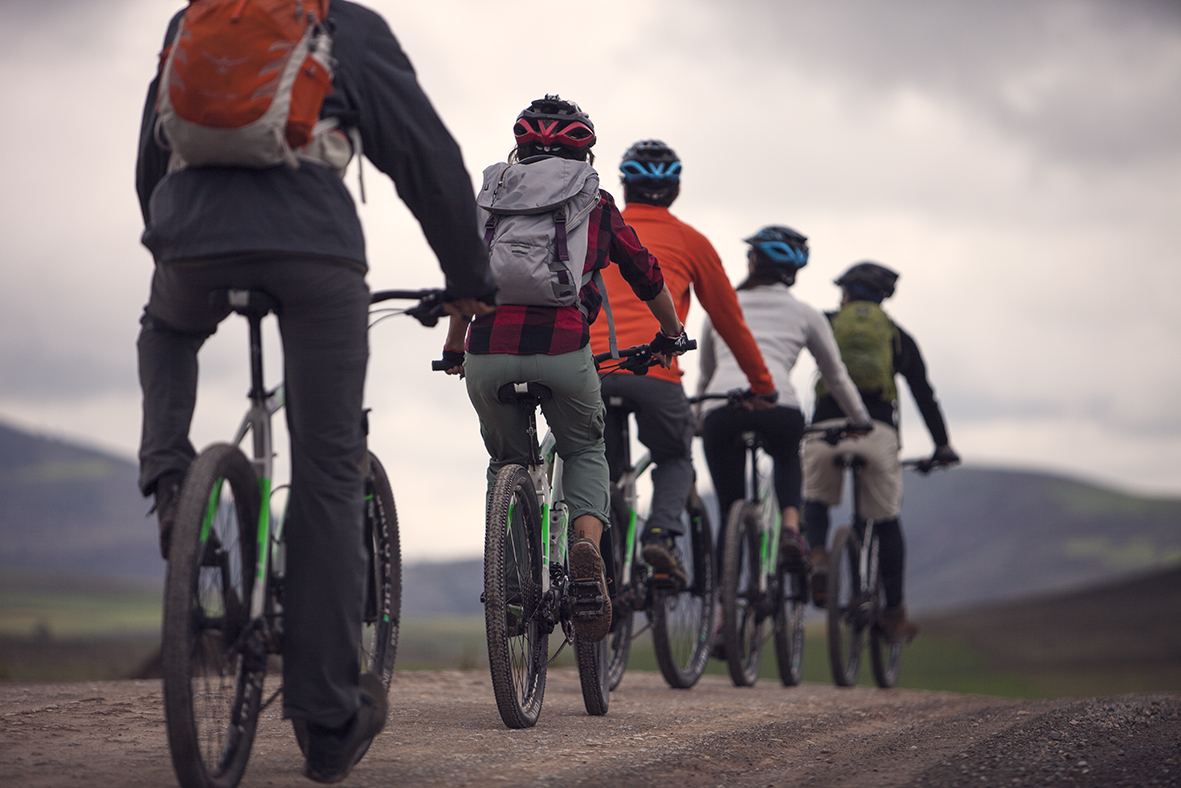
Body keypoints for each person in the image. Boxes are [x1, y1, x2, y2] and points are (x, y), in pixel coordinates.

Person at [135, 3, 496, 781]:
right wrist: (469, 279)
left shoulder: (193, 18)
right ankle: (328, 722)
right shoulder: (346, 25)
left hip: (188, 241)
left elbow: (150, 149)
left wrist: (168, 238)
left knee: (165, 329)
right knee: (330, 465)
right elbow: (427, 158)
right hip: (313, 249)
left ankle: (169, 477)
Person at [441, 98, 687, 644]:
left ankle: (506, 591)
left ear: (521, 147)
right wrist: (671, 335)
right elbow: (645, 272)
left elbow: (465, 281)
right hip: (563, 348)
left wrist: (456, 348)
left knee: (507, 460)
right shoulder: (593, 200)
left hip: (488, 349)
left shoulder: (491, 197)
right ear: (585, 149)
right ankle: (584, 545)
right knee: (584, 450)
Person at [588, 140, 776, 584]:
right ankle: (659, 534)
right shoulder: (692, 242)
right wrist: (762, 384)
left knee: (599, 470)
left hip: (590, 368)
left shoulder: (594, 227)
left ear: (624, 185)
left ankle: (600, 570)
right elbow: (731, 323)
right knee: (674, 456)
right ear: (674, 190)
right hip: (655, 373)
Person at [802, 262, 960, 644]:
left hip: (825, 431)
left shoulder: (825, 323)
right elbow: (924, 394)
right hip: (877, 432)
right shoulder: (897, 336)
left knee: (815, 497)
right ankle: (894, 614)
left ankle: (820, 556)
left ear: (846, 293)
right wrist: (942, 445)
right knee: (886, 521)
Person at [698, 226, 871, 567]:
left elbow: (705, 375)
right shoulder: (807, 314)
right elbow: (835, 375)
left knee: (728, 508)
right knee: (787, 454)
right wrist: (860, 419)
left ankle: (721, 612)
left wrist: (696, 420)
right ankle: (791, 527)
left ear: (752, 263)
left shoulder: (720, 307)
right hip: (778, 404)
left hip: (722, 407)